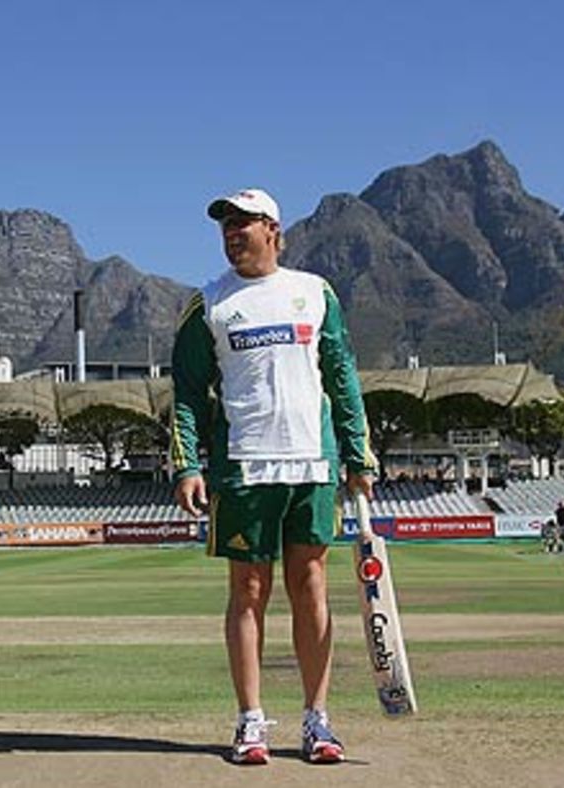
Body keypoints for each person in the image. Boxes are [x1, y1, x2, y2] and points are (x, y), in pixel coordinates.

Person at [171, 188, 376, 766]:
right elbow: (186, 391)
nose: (232, 233)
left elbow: (341, 374)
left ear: (273, 229)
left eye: (243, 223)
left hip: (312, 464)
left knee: (310, 583)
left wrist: (358, 457)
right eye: (225, 226)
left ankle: (317, 720)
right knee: (249, 591)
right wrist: (188, 464)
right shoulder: (209, 304)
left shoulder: (314, 293)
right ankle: (251, 722)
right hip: (243, 468)